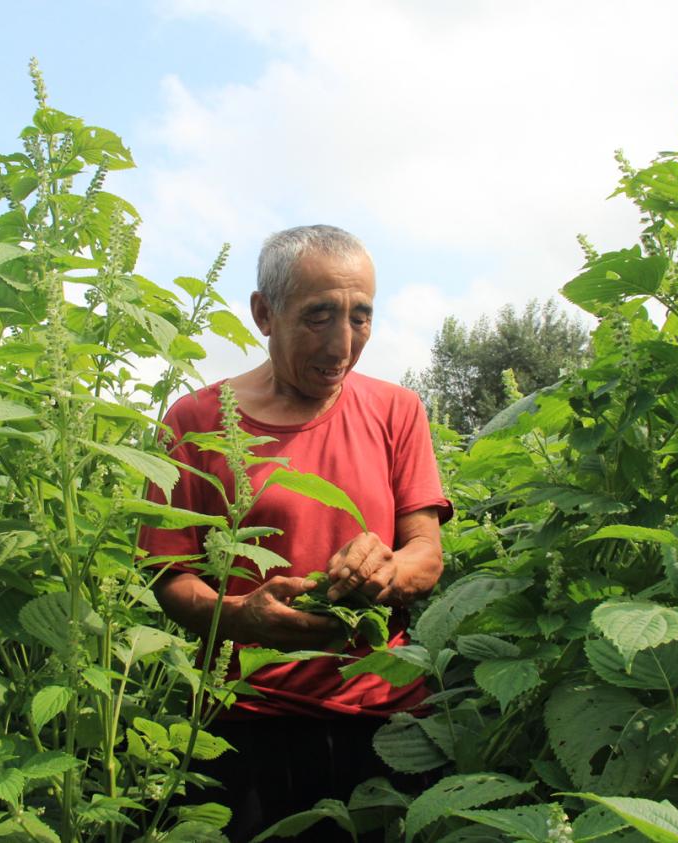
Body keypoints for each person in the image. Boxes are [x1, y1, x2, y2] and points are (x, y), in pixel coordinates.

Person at [140, 224, 452, 841]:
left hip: (387, 720)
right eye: (318, 317)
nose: (342, 344)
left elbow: (426, 552)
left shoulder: (396, 410)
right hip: (250, 718)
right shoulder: (197, 422)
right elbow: (168, 576)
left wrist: (387, 573)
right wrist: (242, 616)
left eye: (360, 317)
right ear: (264, 313)